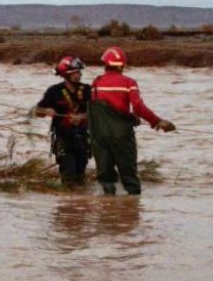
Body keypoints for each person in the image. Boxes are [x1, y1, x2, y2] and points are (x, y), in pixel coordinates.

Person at [88, 46, 175, 195]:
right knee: (129, 176)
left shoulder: (96, 83)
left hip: (99, 136)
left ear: (105, 64)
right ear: (122, 65)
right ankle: (132, 210)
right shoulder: (129, 82)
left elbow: (93, 110)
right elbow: (138, 108)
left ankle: (108, 211)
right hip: (121, 136)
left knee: (106, 176)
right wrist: (157, 121)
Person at [35, 56, 91, 187]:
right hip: (63, 139)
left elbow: (97, 112)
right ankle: (67, 204)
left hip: (82, 139)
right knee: (68, 174)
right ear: (67, 74)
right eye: (76, 73)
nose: (79, 75)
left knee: (80, 174)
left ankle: (79, 205)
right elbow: (37, 111)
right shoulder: (54, 91)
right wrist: (46, 110)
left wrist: (82, 117)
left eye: (79, 72)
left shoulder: (88, 90)